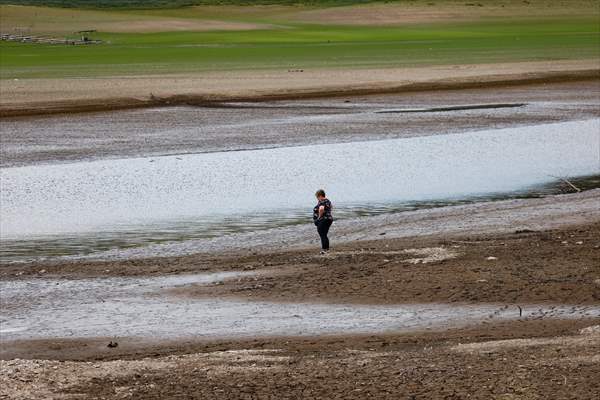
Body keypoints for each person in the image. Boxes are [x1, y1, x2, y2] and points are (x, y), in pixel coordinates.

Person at [313, 189, 333, 254]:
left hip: (323, 220)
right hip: (329, 219)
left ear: (320, 196)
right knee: (324, 234)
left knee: (322, 235)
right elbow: (331, 208)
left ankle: (324, 250)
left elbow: (321, 209)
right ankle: (326, 249)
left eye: (317, 197)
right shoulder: (328, 201)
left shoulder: (322, 201)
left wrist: (319, 217)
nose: (317, 199)